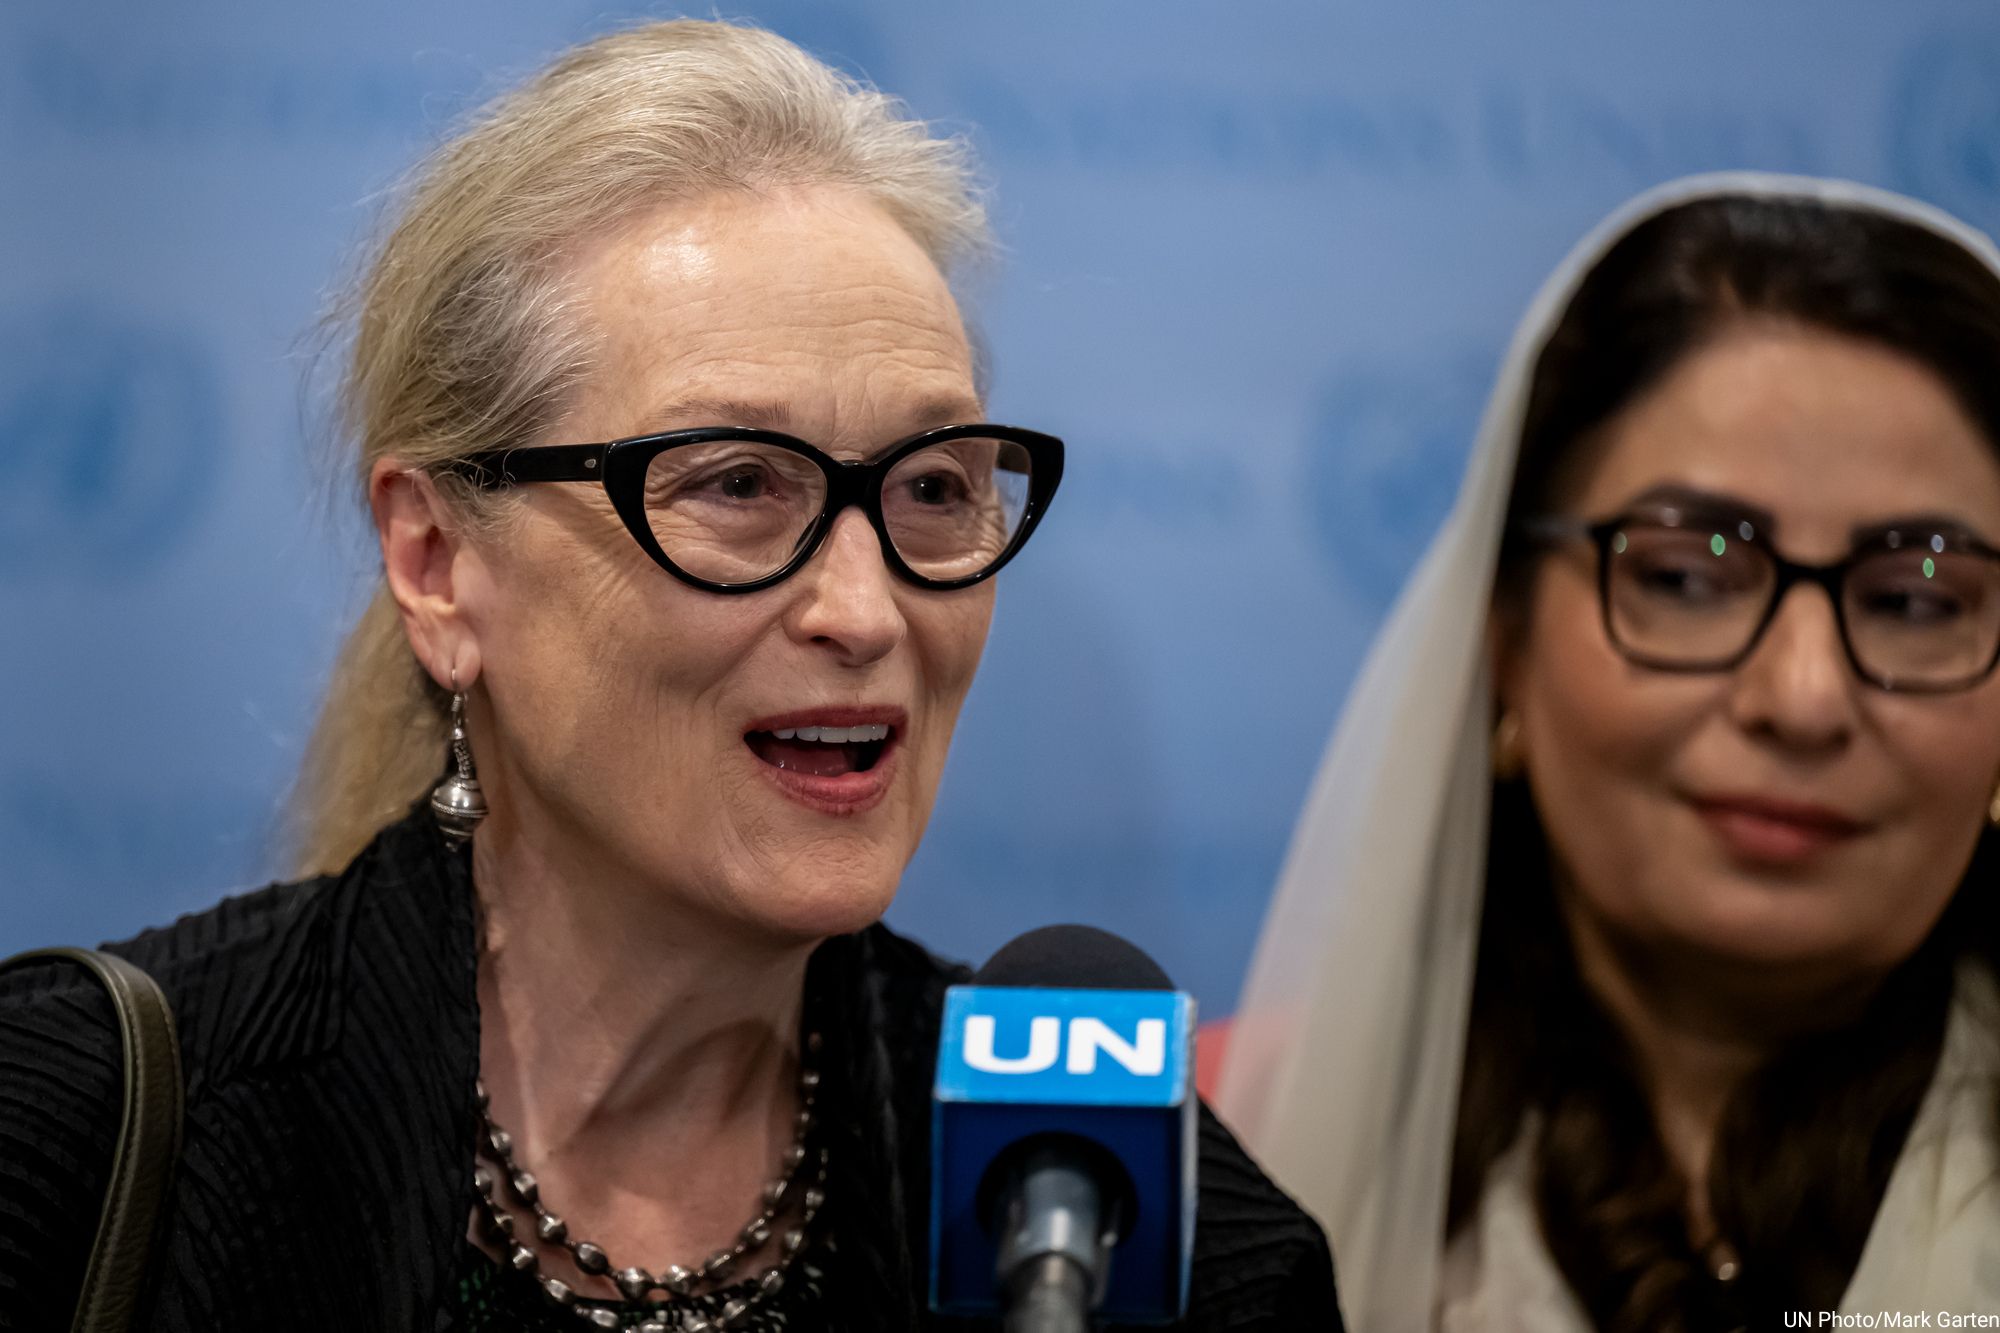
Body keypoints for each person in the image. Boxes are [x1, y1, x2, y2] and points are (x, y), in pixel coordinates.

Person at [0, 21, 1336, 1332]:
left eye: (934, 488)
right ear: (436, 560)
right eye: (739, 484)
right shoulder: (70, 1133)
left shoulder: (1135, 1239)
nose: (868, 612)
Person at [1219, 173, 2000, 1331]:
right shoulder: (1210, 1156)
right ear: (1503, 646)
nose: (1801, 696)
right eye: (1685, 578)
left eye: (1916, 598)